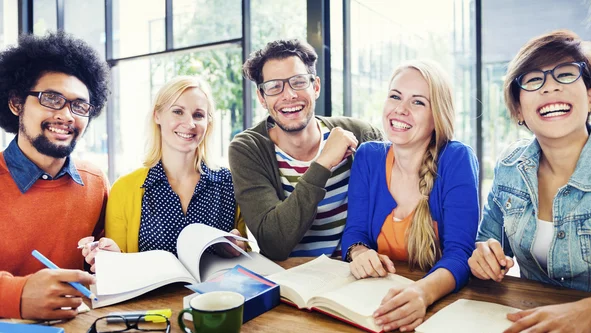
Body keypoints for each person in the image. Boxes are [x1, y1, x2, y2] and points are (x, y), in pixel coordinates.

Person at [468, 30, 591, 333]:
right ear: (518, 110)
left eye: (565, 75)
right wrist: (483, 256)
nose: (550, 87)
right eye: (533, 80)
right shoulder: (510, 166)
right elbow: (487, 241)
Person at [341, 60, 480, 332]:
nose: (400, 109)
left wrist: (422, 294)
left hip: (439, 306)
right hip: (374, 302)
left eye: (418, 102)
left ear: (437, 116)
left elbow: (461, 254)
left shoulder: (457, 159)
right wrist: (359, 253)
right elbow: (354, 231)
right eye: (395, 96)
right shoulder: (368, 157)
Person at [230, 39, 382, 261]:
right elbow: (274, 243)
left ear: (316, 87)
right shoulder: (248, 149)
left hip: (357, 277)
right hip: (291, 285)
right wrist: (322, 164)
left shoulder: (361, 135)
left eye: (298, 82)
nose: (289, 95)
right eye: (274, 86)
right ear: (262, 98)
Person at [80, 76, 247, 272]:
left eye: (199, 115)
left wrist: (239, 249)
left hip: (215, 300)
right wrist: (110, 258)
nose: (190, 123)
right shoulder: (124, 189)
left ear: (208, 122)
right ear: (157, 115)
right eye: (178, 111)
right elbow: (119, 266)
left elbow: (244, 254)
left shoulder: (230, 183)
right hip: (153, 302)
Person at [0, 31, 110, 320]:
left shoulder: (94, 182)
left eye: (80, 105)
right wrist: (18, 295)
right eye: (51, 99)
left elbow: (102, 259)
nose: (66, 115)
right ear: (16, 103)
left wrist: (108, 257)